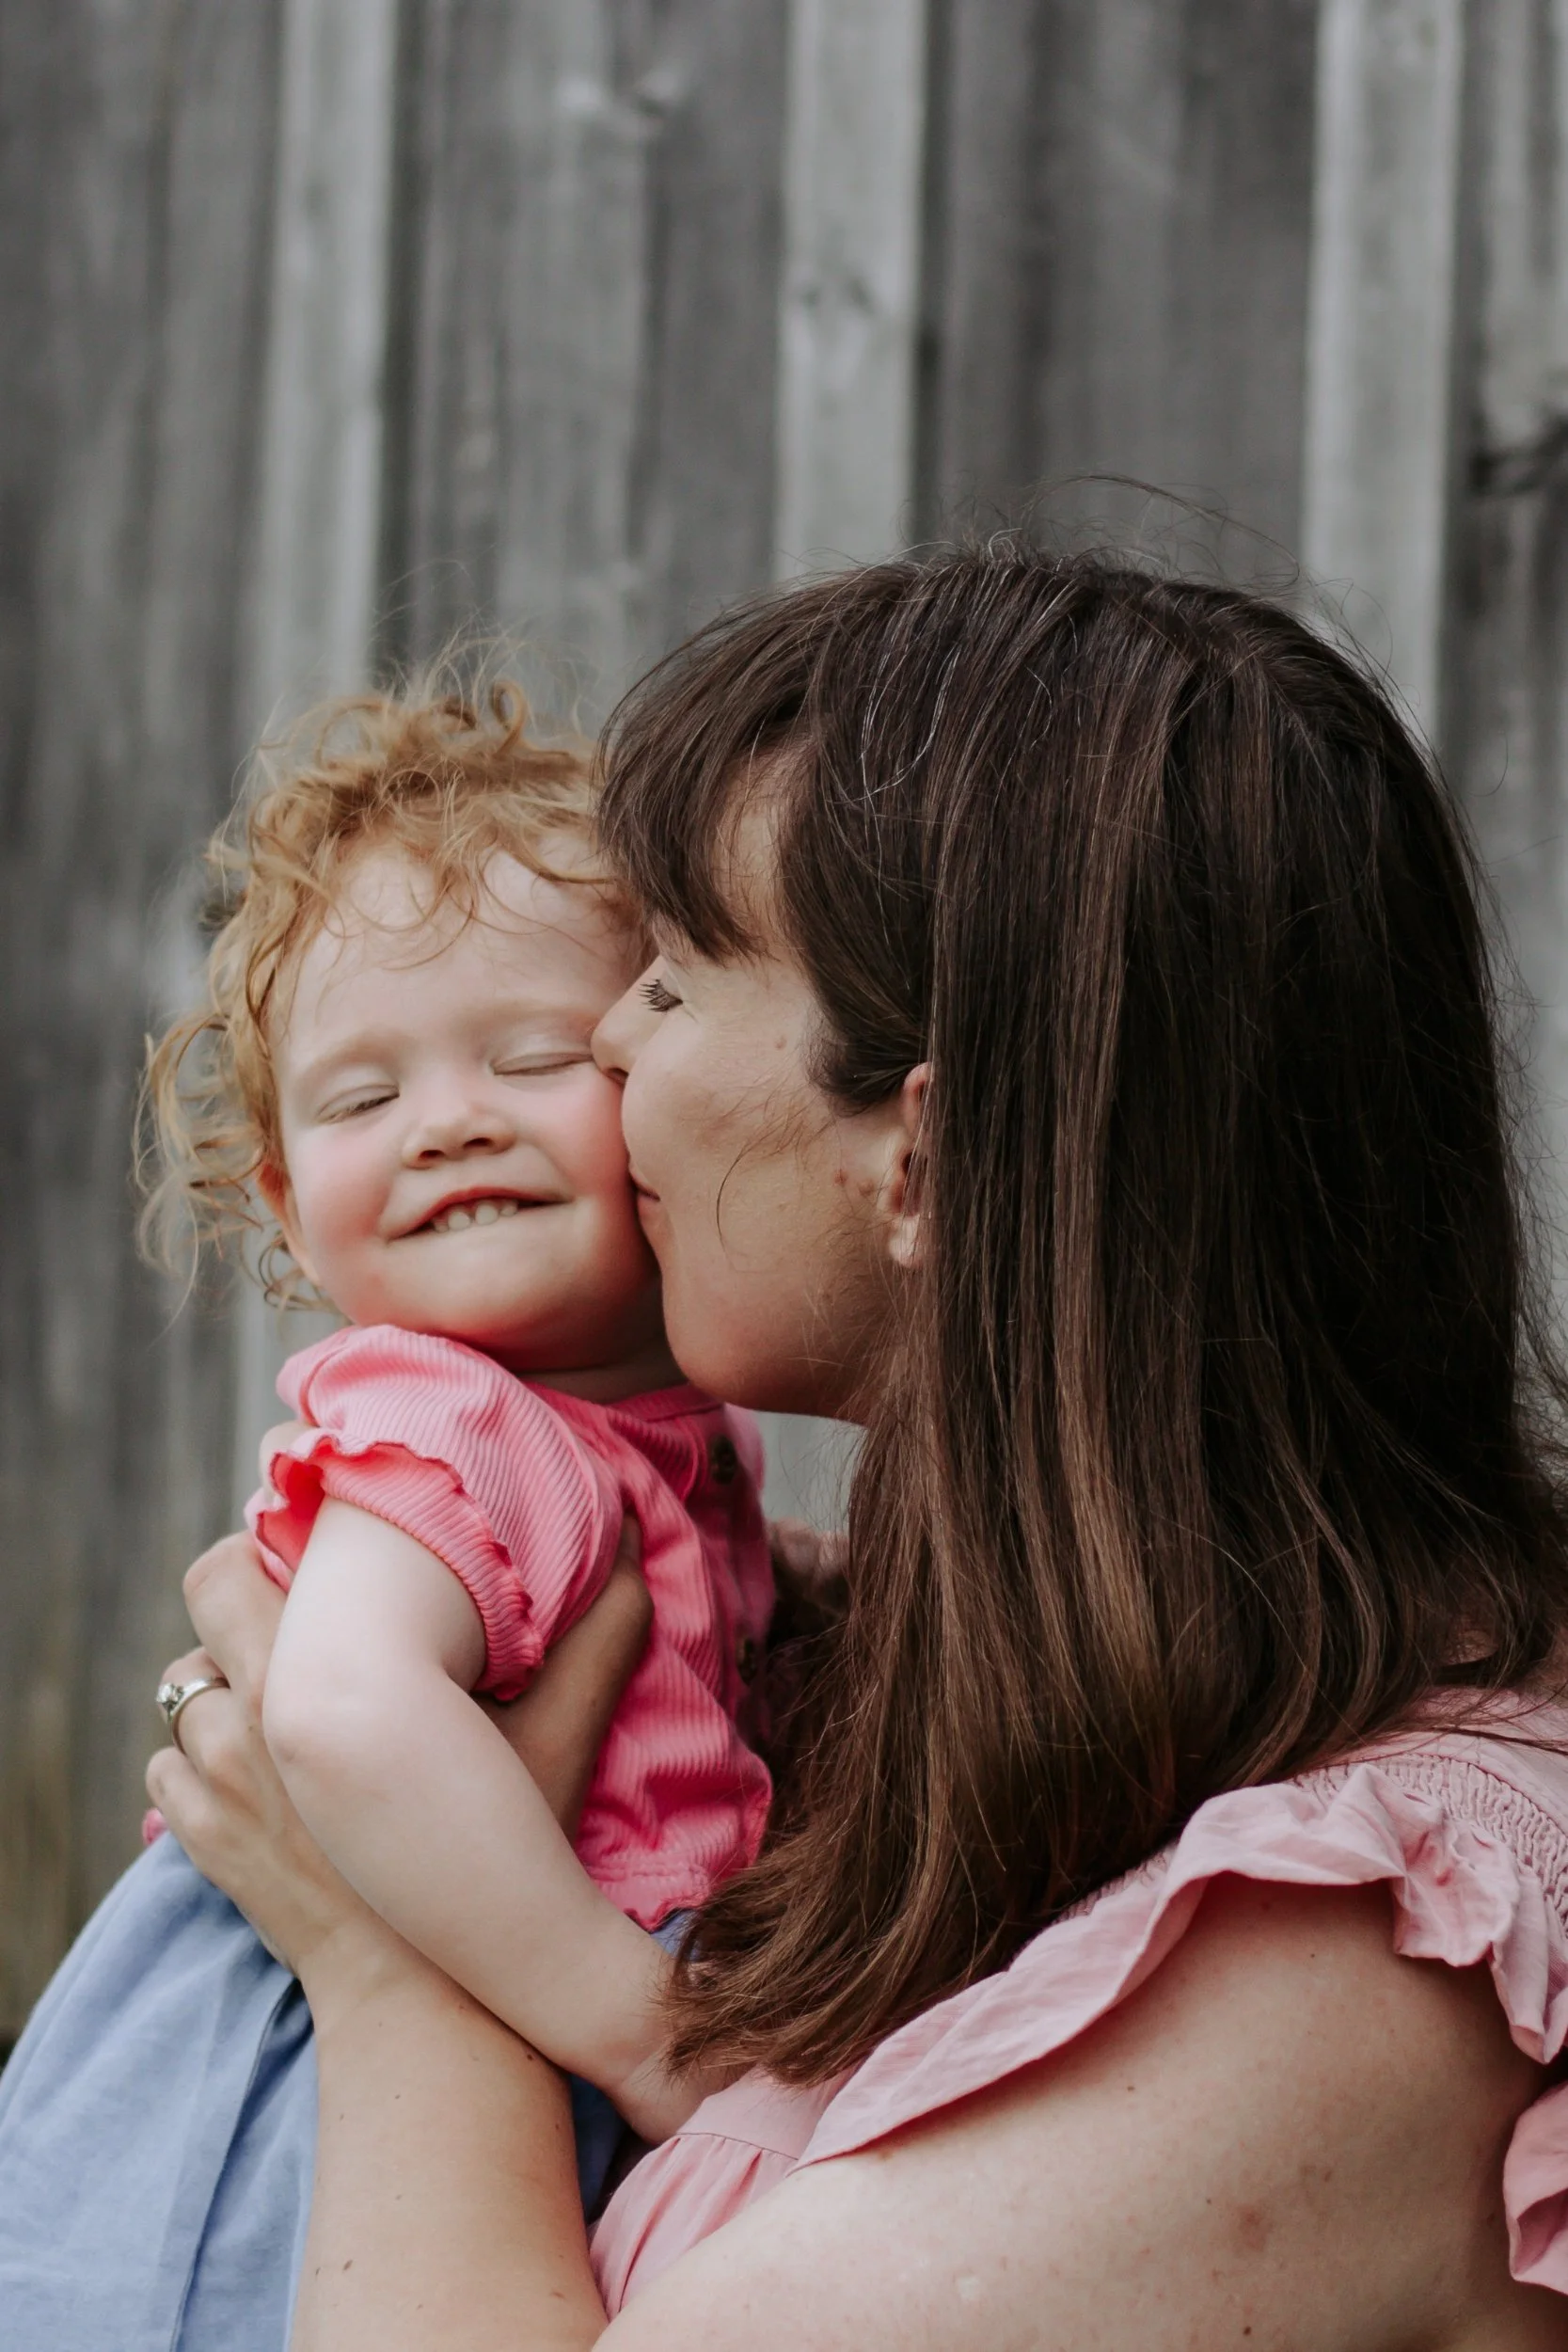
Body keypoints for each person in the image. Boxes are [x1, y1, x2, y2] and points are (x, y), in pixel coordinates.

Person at [154, 542, 1568, 2349]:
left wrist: (392, 1972)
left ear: (918, 1153)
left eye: (668, 979)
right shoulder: (1036, 1693)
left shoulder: (1340, 1976)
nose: (597, 1041)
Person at [0, 686, 775, 2344]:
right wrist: (639, 2031)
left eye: (533, 1056)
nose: (448, 1119)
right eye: (360, 1100)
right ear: (285, 1199)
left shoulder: (648, 1439)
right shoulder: (456, 1413)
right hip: (284, 2077)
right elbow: (344, 1711)